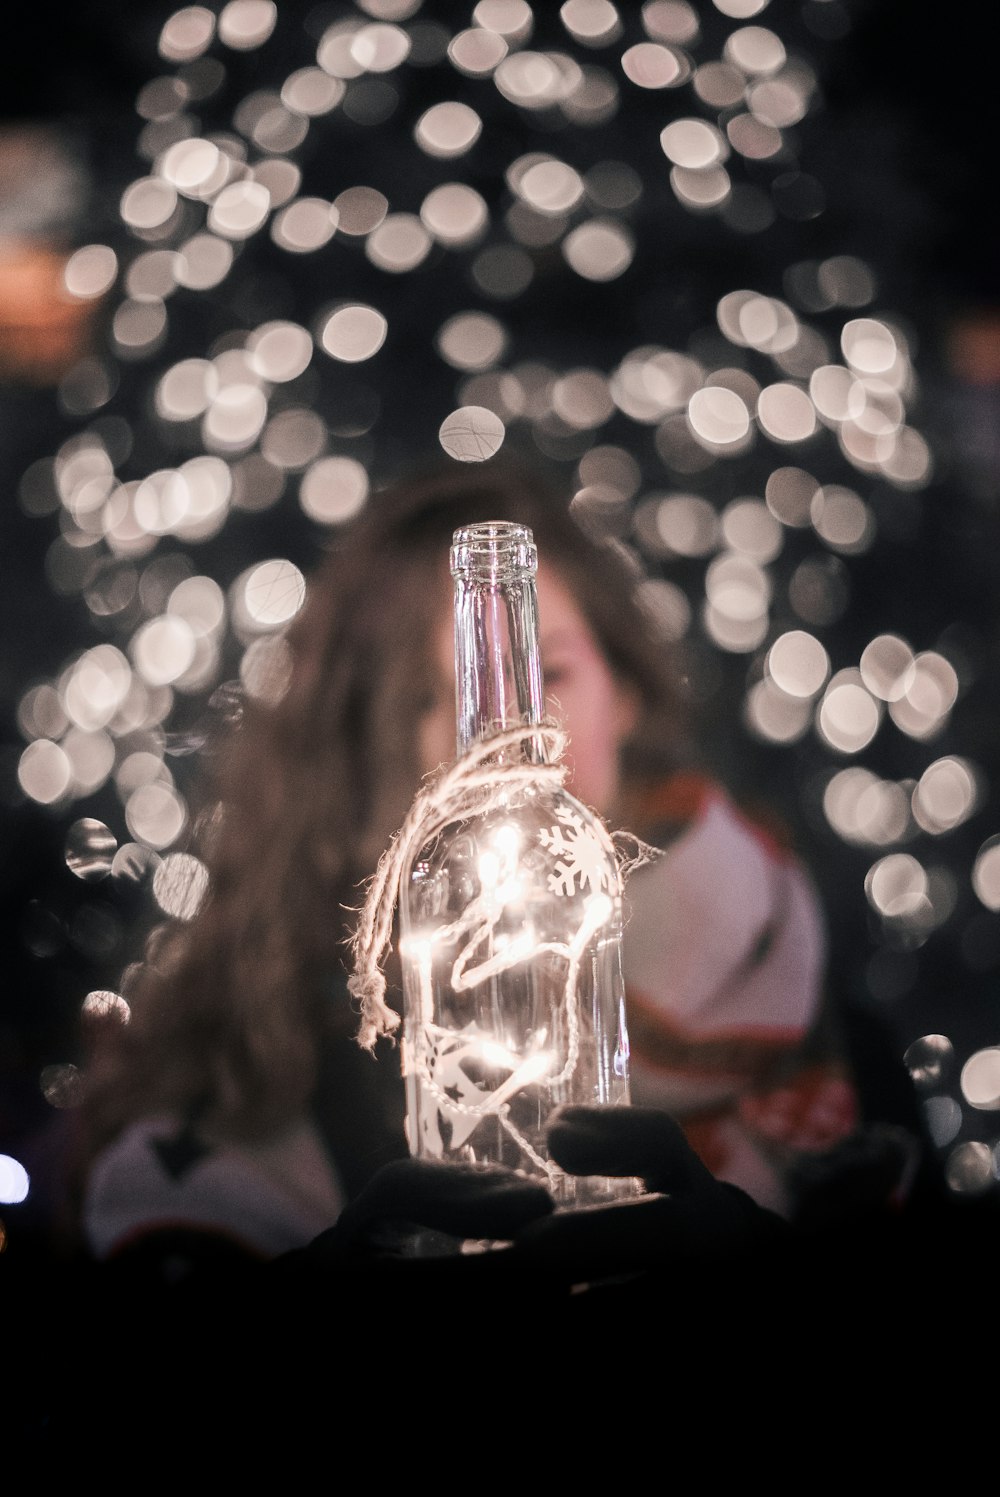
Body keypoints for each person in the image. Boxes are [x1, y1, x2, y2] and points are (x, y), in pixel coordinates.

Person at [70, 451, 921, 1286]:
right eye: (418, 696)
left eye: (548, 670)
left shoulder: (819, 1034)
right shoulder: (264, 1070)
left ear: (622, 690)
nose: (496, 733)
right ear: (360, 744)